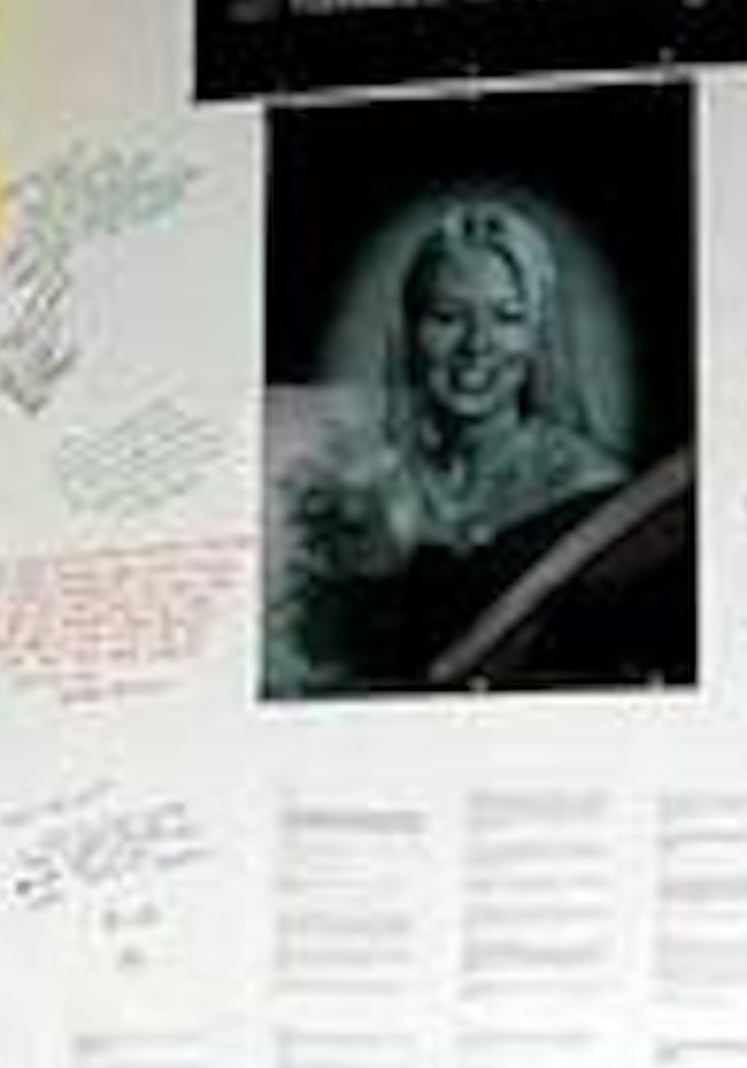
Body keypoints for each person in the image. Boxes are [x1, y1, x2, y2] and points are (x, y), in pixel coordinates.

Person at [267, 196, 636, 695]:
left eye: (507, 317)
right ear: (411, 331)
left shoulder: (592, 490)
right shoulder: (358, 472)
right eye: (446, 316)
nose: (476, 345)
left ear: (538, 337)